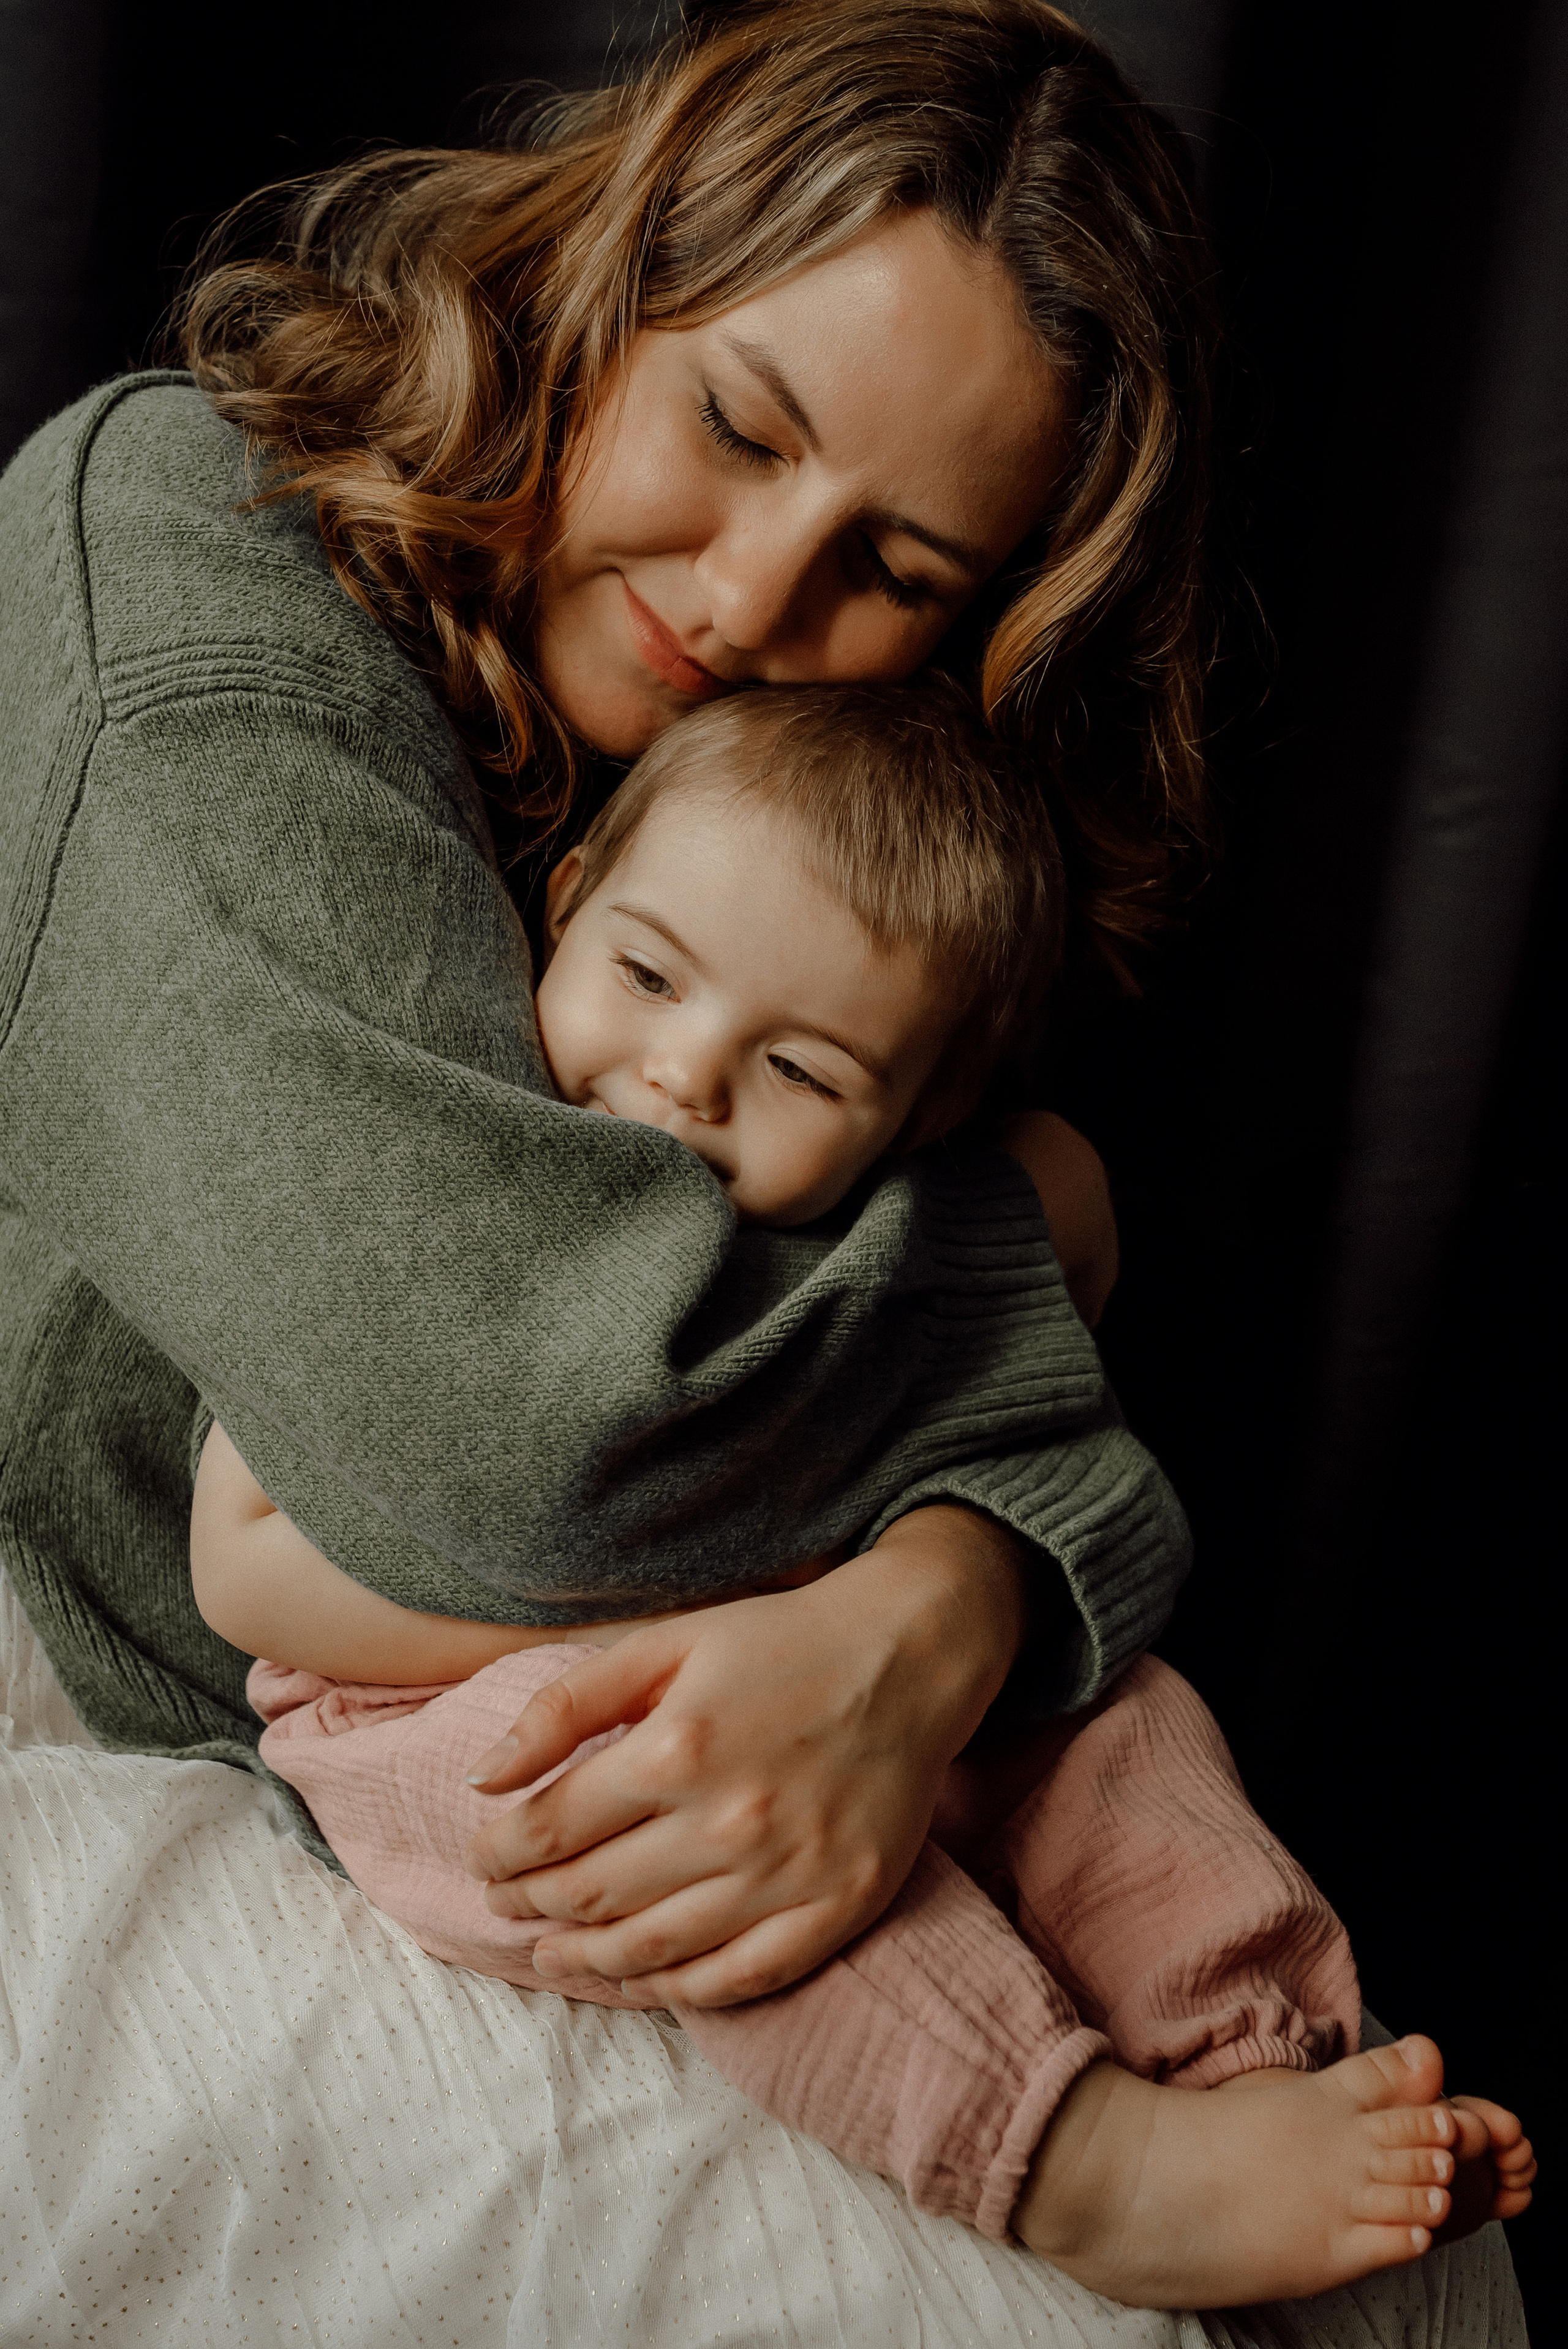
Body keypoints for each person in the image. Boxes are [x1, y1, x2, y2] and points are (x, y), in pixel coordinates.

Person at [0, 0, 1531, 2315]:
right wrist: (1039, 1233)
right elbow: (524, 1423)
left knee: (1392, 2253)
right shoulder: (173, 572)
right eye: (736, 424)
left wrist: (956, 1606)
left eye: (894, 570)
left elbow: (814, 1383)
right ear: (599, 275)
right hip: (274, 1683)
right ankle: (1077, 2155)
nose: (751, 600)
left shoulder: (788, 821)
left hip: (743, 1634)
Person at [190, 681, 1532, 2308]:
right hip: (439, 1698)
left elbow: (1064, 1287)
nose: (685, 1074)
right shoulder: (454, 1172)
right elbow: (241, 1566)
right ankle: (1081, 2161)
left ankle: (1249, 2049)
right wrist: (697, 1609)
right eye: (647, 973)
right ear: (568, 897)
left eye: (804, 1068)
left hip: (824, 1654)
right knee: (695, 1800)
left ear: (919, 1114)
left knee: (1120, 1715)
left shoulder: (869, 1249)